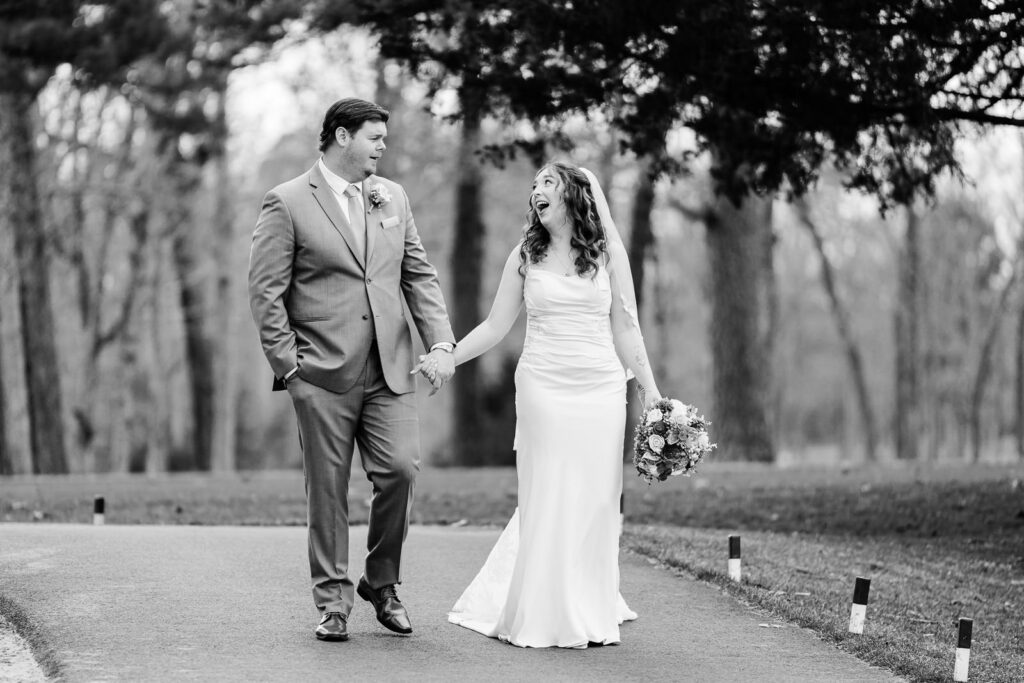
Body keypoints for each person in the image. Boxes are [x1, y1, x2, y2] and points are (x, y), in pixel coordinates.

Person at [248, 97, 456, 642]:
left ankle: (381, 582)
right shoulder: (288, 201)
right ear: (342, 137)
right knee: (329, 489)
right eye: (374, 138)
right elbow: (266, 292)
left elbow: (419, 275)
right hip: (320, 374)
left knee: (402, 472)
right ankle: (333, 602)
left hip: (390, 369)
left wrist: (442, 343)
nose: (383, 147)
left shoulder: (393, 198)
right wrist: (290, 368)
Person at [431, 161, 662, 648]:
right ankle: (544, 611)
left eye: (548, 182)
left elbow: (626, 329)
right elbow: (496, 326)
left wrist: (650, 390)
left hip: (601, 389)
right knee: (551, 491)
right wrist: (450, 355)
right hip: (543, 386)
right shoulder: (524, 256)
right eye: (534, 184)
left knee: (597, 498)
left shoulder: (608, 257)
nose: (536, 190)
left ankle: (589, 607)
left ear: (576, 196)